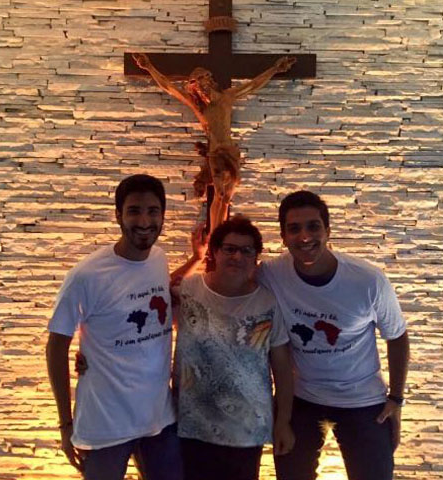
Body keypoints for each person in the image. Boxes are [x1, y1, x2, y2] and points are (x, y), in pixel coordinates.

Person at [260, 191, 410, 480]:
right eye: (294, 228)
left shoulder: (368, 280)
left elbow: (397, 336)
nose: (305, 236)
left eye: (313, 226)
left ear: (328, 231)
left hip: (362, 399)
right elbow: (233, 284)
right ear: (283, 237)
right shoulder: (271, 274)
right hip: (302, 397)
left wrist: (396, 398)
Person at [45, 174, 183, 480]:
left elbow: (157, 297)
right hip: (105, 425)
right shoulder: (86, 276)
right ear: (118, 215)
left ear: (163, 216)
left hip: (159, 419)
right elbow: (56, 346)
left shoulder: (159, 259)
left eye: (153, 211)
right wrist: (65, 424)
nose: (144, 221)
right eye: (134, 211)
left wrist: (197, 261)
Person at [171, 216, 295, 480]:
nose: (237, 256)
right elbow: (152, 298)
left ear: (255, 258)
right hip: (192, 426)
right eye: (229, 249)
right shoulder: (189, 290)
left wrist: (283, 422)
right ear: (215, 251)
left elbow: (283, 369)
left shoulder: (267, 303)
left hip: (246, 432)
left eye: (246, 251)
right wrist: (195, 259)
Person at [132, 52, 295, 233]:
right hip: (215, 154)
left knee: (226, 199)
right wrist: (149, 67)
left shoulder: (226, 97)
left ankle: (220, 236)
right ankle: (215, 236)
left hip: (230, 152)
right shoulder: (200, 107)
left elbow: (253, 85)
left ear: (210, 80)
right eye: (195, 84)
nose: (200, 86)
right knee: (219, 193)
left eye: (203, 80)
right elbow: (169, 87)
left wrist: (275, 69)